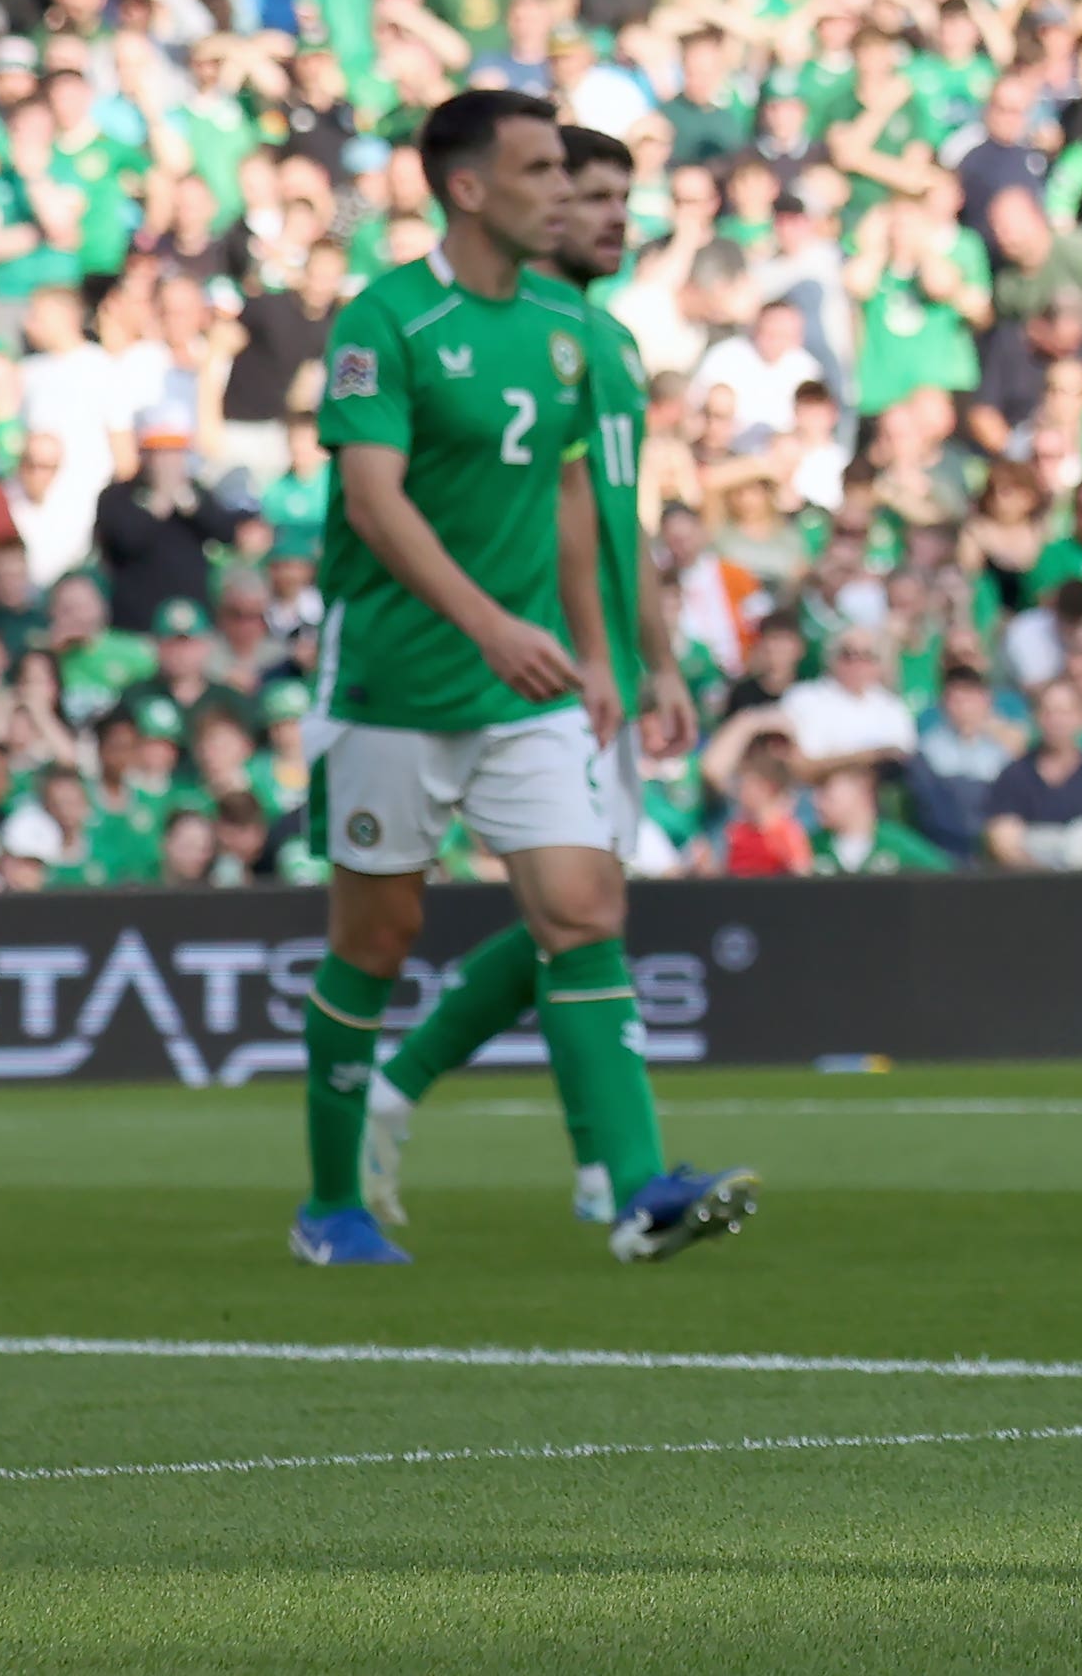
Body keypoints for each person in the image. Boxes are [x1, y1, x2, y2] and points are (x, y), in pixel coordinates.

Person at [288, 91, 749, 1268]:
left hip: (528, 682)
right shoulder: (382, 320)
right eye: (544, 171)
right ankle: (331, 1202)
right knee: (378, 941)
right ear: (469, 189)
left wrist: (602, 653)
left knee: (583, 908)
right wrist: (489, 621)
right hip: (395, 681)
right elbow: (372, 502)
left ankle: (639, 1191)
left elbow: (571, 503)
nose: (569, 191)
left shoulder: (570, 331)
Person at [363, 123, 688, 1229]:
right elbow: (569, 526)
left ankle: (590, 1158)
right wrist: (606, 651)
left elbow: (618, 516)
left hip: (580, 658)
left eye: (614, 196)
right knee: (578, 907)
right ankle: (602, 1161)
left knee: (584, 907)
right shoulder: (530, 342)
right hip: (510, 659)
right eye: (579, 190)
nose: (605, 215)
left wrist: (659, 658)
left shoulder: (605, 343)